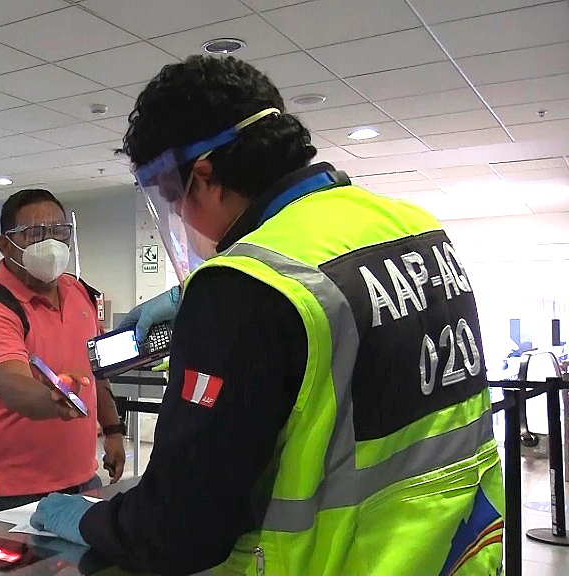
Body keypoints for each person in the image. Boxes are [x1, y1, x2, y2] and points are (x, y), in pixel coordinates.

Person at [29, 56, 504, 576]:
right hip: (455, 551)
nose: (181, 218)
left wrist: (86, 520)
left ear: (205, 177)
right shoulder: (412, 225)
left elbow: (180, 527)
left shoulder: (243, 285)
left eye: (174, 197)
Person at [0, 188, 126, 517]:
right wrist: (52, 398)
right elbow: (9, 381)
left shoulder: (78, 292)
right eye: (35, 233)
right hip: (16, 491)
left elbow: (97, 369)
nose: (50, 243)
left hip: (83, 478)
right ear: (5, 245)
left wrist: (113, 431)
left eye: (59, 231)